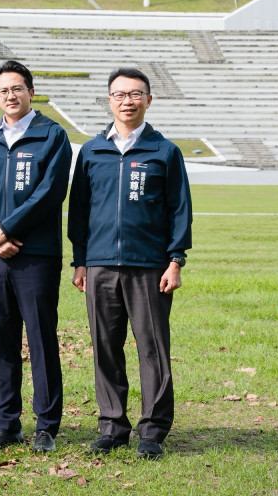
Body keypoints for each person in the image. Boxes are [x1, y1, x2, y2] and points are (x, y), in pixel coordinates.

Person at [69, 67, 192, 460]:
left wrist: (174, 261)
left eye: (135, 94)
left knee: (152, 348)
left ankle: (152, 431)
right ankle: (112, 426)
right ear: (110, 100)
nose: (127, 101)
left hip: (149, 266)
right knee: (105, 347)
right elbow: (80, 210)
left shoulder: (165, 151)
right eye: (120, 94)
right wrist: (80, 261)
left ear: (148, 100)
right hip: (100, 264)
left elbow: (179, 209)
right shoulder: (91, 151)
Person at [0, 61, 71, 453]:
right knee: (1, 338)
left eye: (17, 88)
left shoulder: (52, 136)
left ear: (31, 91)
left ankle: (46, 426)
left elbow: (49, 192)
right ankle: (5, 423)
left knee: (41, 338)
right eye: (3, 91)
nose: (10, 96)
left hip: (36, 255)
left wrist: (8, 228)